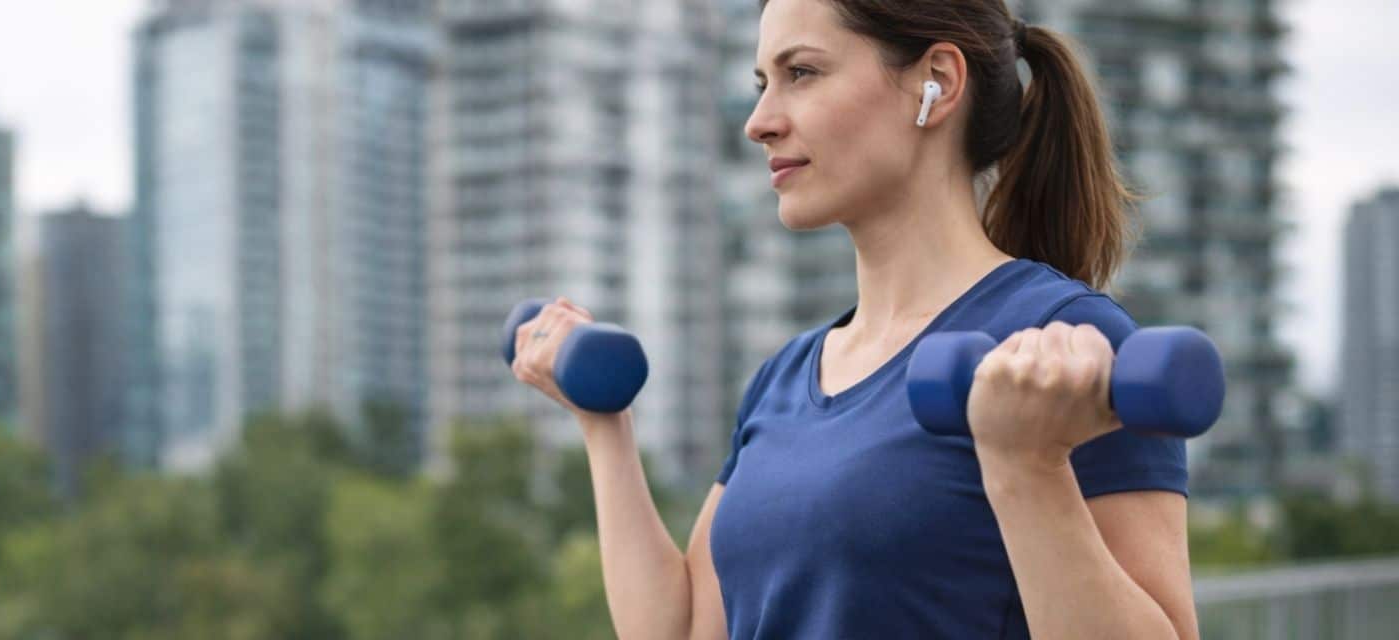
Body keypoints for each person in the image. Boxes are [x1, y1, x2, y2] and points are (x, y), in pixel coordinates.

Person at [508, 0, 1198, 637]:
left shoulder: (1065, 350)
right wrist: (604, 426)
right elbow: (687, 629)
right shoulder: (787, 376)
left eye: (801, 73)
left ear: (936, 82)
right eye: (761, 84)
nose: (759, 121)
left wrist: (1028, 466)